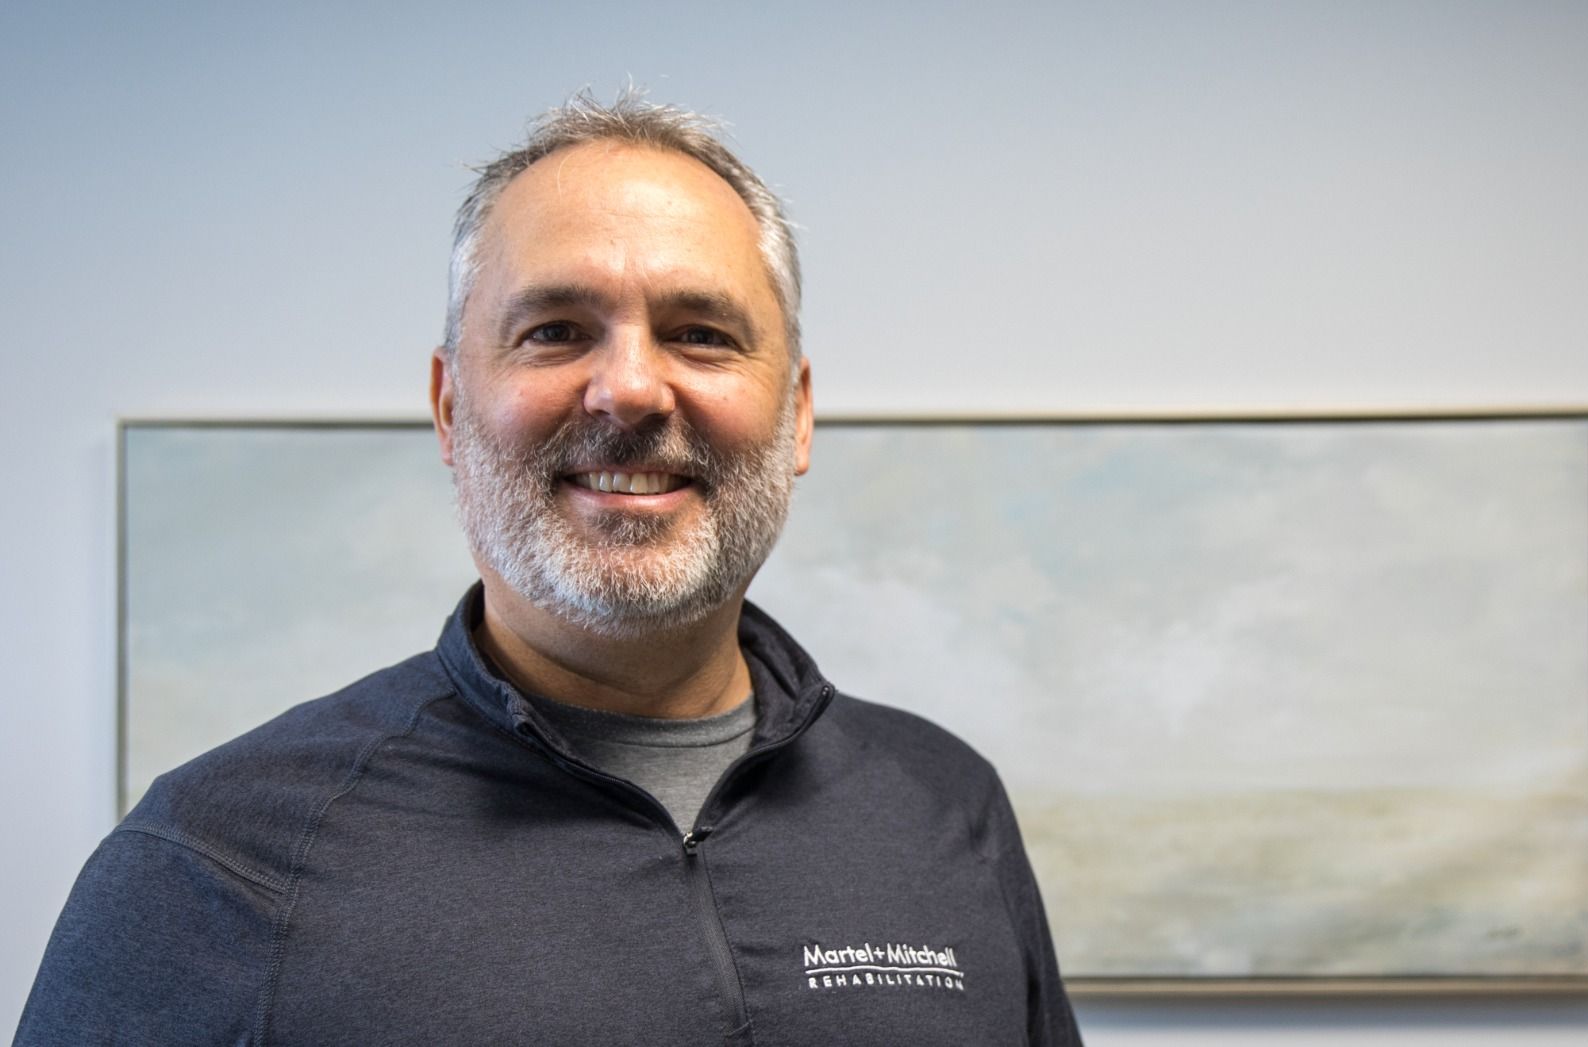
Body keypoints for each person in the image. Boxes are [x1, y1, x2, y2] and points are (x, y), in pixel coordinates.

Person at [17, 92, 1083, 1046]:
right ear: (448, 406)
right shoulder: (212, 861)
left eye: (701, 333)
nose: (629, 390)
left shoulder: (943, 803)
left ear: (797, 411)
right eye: (556, 330)